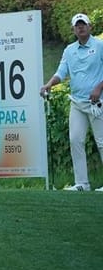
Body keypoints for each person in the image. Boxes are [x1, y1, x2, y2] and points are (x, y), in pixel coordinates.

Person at [40, 13, 103, 192]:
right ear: (74, 29)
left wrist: (99, 87)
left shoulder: (99, 46)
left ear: (90, 27)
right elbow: (61, 72)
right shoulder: (69, 50)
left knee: (102, 142)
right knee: (75, 140)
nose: (81, 27)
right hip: (77, 102)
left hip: (97, 103)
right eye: (77, 25)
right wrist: (49, 84)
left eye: (83, 24)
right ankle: (82, 183)